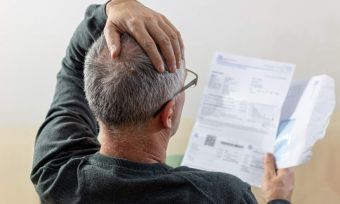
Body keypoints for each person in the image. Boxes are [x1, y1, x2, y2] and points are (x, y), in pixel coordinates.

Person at [30, 1, 294, 203]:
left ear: (91, 98)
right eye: (185, 85)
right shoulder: (221, 195)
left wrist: (114, 5)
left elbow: (72, 67)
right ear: (168, 114)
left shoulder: (54, 174)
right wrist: (277, 197)